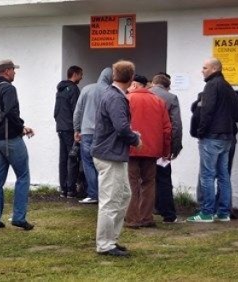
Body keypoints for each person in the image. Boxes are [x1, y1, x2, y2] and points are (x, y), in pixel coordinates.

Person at [91, 60, 141, 257]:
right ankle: (105, 244)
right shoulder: (116, 98)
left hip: (111, 153)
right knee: (111, 200)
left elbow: (117, 126)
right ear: (131, 78)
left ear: (114, 75)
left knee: (124, 196)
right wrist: (135, 139)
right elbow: (121, 128)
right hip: (110, 154)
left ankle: (111, 239)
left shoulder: (113, 95)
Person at [188, 58, 238, 223]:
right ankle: (224, 212)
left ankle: (206, 212)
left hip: (212, 137)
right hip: (228, 137)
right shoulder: (228, 87)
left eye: (204, 67)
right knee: (223, 175)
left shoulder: (211, 85)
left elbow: (207, 111)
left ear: (214, 69)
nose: (202, 70)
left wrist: (201, 132)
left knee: (207, 175)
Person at [0, 59, 35, 230]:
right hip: (10, 139)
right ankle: (19, 217)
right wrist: (21, 127)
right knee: (23, 176)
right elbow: (10, 112)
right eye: (13, 70)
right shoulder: (8, 88)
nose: (14, 73)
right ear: (6, 71)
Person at [124, 75, 171, 229]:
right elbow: (167, 129)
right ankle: (146, 217)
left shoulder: (127, 99)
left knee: (132, 183)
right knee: (149, 183)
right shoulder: (159, 101)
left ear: (135, 85)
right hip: (152, 149)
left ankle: (132, 218)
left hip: (131, 148)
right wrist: (165, 150)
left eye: (130, 85)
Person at [73, 67, 113, 204]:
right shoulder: (111, 91)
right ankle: (105, 194)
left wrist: (77, 129)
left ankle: (93, 193)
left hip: (87, 132)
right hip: (105, 133)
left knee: (88, 163)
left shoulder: (87, 89)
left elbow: (78, 111)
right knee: (104, 163)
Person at [149, 73, 183, 223]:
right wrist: (175, 147)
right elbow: (176, 126)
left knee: (143, 179)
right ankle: (168, 214)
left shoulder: (140, 96)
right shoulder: (171, 98)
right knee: (163, 179)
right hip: (162, 146)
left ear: (154, 83)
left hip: (142, 145)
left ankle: (144, 211)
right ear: (167, 86)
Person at [54, 65, 82, 198]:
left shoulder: (60, 89)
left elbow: (56, 111)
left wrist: (60, 124)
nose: (82, 77)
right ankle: (71, 189)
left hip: (60, 128)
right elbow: (76, 111)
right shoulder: (74, 89)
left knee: (63, 158)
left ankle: (63, 189)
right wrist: (78, 129)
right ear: (75, 74)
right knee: (73, 158)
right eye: (81, 74)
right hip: (70, 128)